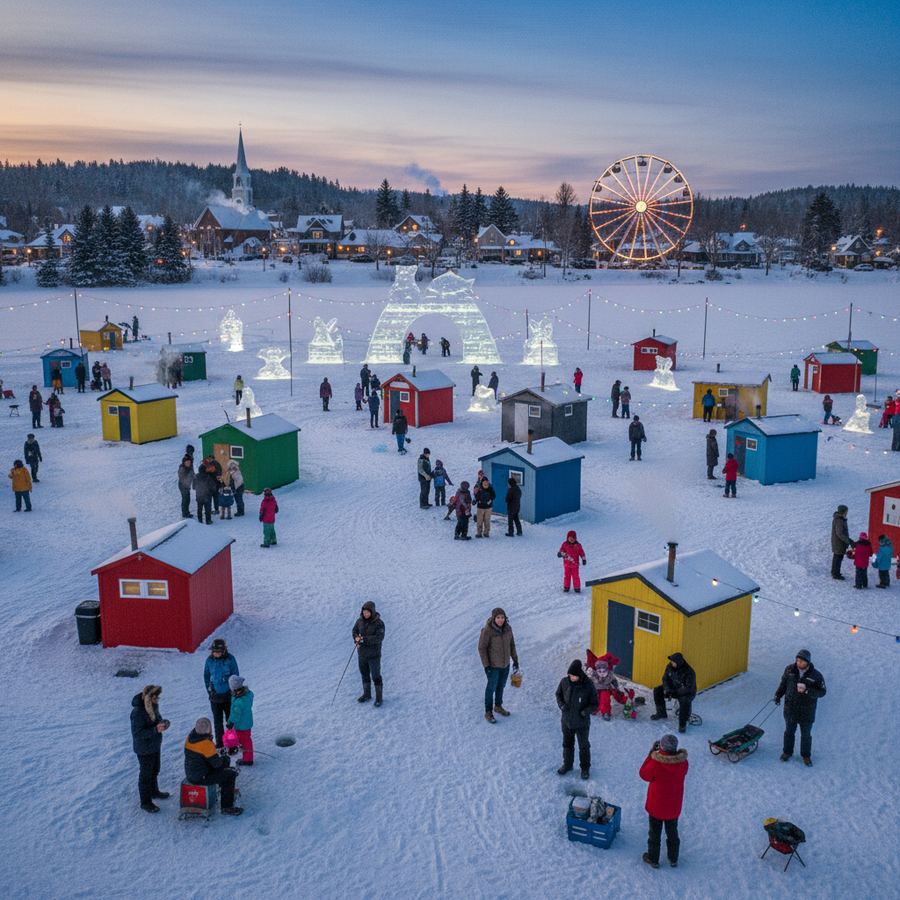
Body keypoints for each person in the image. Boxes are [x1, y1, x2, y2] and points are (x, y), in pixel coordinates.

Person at [639, 733, 688, 869]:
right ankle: (673, 858)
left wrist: (651, 754)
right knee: (672, 832)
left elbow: (643, 774)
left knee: (654, 833)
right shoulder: (683, 763)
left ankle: (653, 858)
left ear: (661, 747)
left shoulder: (656, 763)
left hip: (656, 806)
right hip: (673, 806)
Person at [774, 649, 826, 766]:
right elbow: (783, 684)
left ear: (807, 662)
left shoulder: (816, 675)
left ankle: (806, 756)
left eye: (802, 661)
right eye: (797, 660)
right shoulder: (789, 670)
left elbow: (822, 692)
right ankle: (787, 752)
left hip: (807, 711)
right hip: (790, 709)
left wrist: (807, 690)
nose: (799, 663)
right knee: (789, 732)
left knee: (806, 735)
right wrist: (778, 695)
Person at [184, 718, 242, 815]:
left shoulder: (190, 738)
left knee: (225, 759)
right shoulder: (206, 744)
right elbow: (217, 764)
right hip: (201, 777)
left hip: (192, 772)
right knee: (230, 774)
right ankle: (227, 807)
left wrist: (218, 753)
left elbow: (204, 755)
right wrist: (223, 755)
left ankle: (221, 787)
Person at [130, 685, 170, 813]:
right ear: (149, 698)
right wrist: (155, 729)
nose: (158, 699)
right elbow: (137, 733)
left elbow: (158, 720)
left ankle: (154, 792)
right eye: (155, 697)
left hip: (154, 745)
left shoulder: (153, 706)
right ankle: (145, 802)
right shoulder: (137, 712)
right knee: (146, 775)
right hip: (144, 749)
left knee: (155, 770)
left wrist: (164, 723)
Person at [555, 660, 598, 778]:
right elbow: (558, 694)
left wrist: (585, 712)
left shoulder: (588, 685)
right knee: (567, 744)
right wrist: (562, 705)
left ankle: (585, 769)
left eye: (573, 676)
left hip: (582, 723)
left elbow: (595, 704)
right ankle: (567, 765)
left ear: (579, 675)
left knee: (583, 746)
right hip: (566, 721)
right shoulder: (564, 682)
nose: (571, 677)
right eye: (570, 675)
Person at [479, 608, 519, 723]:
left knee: (501, 686)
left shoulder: (508, 629)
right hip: (493, 666)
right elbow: (482, 648)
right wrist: (486, 666)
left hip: (505, 665)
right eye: (498, 618)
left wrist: (515, 660)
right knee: (491, 688)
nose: (500, 620)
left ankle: (498, 706)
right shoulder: (487, 631)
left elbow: (512, 645)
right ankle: (488, 712)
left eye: (502, 617)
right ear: (493, 618)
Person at [204, 638, 240, 748]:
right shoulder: (209, 660)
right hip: (215, 697)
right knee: (217, 722)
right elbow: (206, 676)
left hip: (228, 696)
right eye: (214, 651)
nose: (216, 653)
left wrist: (233, 691)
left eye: (218, 651)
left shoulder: (230, 659)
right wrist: (209, 690)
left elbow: (235, 676)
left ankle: (232, 742)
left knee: (230, 720)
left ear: (224, 650)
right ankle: (220, 744)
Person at [651, 653, 696, 733]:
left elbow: (688, 688)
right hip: (673, 689)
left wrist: (674, 692)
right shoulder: (669, 667)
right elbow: (665, 679)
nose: (671, 663)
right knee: (658, 690)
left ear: (678, 662)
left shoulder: (689, 672)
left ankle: (682, 724)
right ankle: (661, 713)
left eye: (673, 662)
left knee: (684, 701)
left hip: (686, 693)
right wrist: (667, 689)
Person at [353, 601, 385, 706]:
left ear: (372, 611)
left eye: (367, 612)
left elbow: (379, 638)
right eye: (364, 612)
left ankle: (379, 698)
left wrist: (363, 639)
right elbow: (354, 631)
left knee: (376, 676)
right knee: (364, 674)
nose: (365, 614)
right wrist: (356, 639)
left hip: (374, 656)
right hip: (362, 655)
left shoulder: (379, 623)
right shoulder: (359, 621)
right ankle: (367, 694)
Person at [226, 675, 254, 765]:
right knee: (246, 739)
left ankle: (247, 759)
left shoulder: (239, 701)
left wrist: (230, 722)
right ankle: (246, 755)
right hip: (247, 723)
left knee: (245, 741)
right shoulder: (248, 694)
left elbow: (235, 714)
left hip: (241, 725)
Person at [830, 504, 855, 579]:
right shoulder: (839, 521)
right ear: (843, 512)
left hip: (839, 542)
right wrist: (849, 541)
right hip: (839, 543)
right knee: (838, 557)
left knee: (837, 557)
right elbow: (840, 533)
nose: (847, 513)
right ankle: (836, 574)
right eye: (846, 511)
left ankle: (834, 572)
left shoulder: (841, 519)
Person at [193, 460, 215, 525]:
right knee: (207, 509)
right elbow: (213, 487)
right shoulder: (208, 477)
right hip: (207, 496)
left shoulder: (196, 476)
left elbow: (193, 487)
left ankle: (200, 521)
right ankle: (208, 521)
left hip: (199, 496)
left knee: (199, 509)